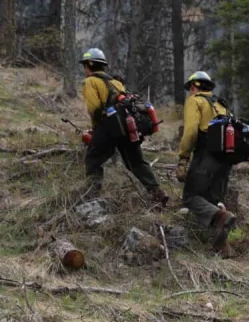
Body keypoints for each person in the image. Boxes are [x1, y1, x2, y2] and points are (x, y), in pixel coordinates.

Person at [80, 48, 168, 206]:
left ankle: (91, 196)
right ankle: (157, 192)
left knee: (93, 159)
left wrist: (95, 129)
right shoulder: (115, 82)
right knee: (135, 162)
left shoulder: (90, 82)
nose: (84, 69)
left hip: (108, 126)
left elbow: (94, 108)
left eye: (84, 66)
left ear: (88, 65)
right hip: (127, 127)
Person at [176, 71, 236, 256]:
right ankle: (222, 248)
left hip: (205, 156)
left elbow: (191, 132)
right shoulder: (221, 105)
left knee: (191, 197)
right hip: (225, 161)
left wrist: (183, 159)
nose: (189, 93)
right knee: (211, 201)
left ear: (194, 86)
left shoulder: (195, 101)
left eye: (190, 89)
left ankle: (222, 216)